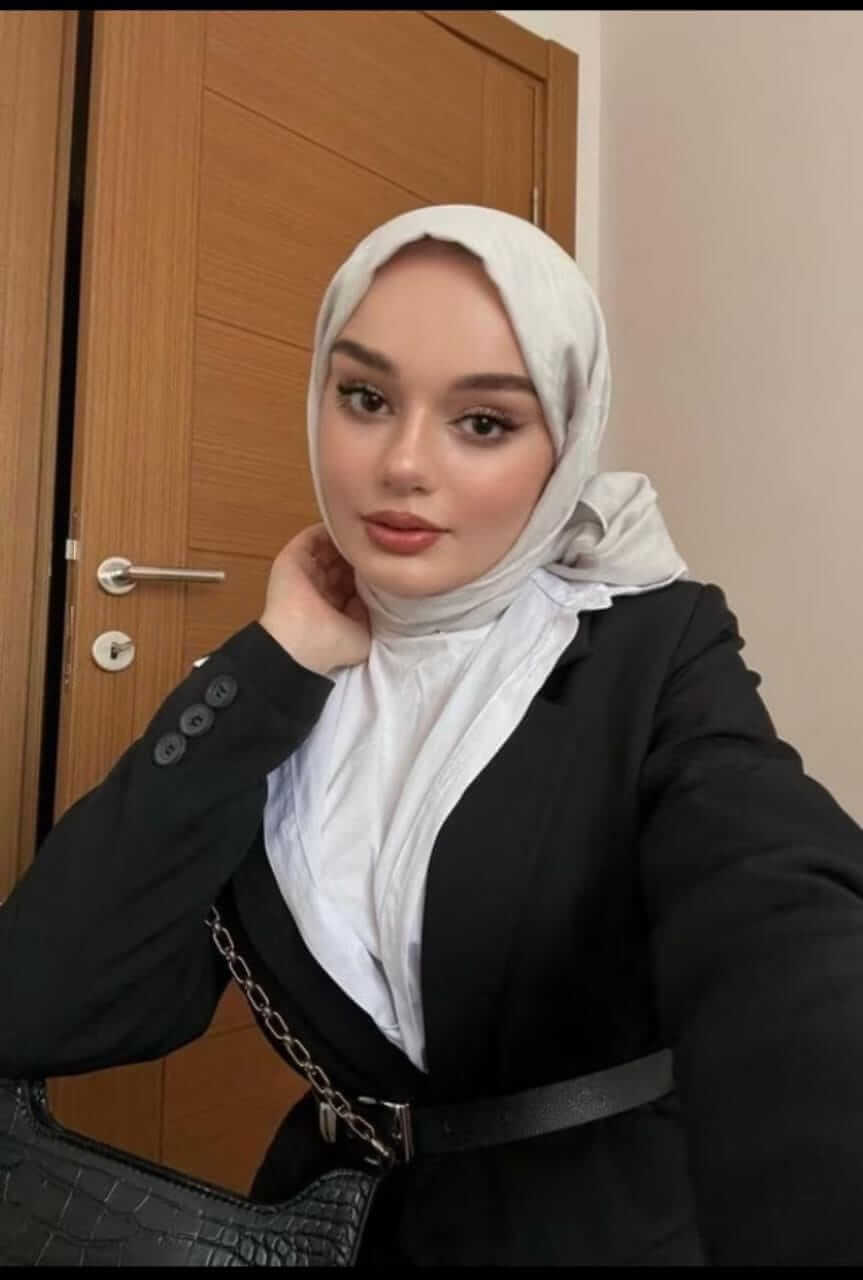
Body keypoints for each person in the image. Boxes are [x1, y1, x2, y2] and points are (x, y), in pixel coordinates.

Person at [2, 203, 863, 1267]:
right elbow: (41, 1001)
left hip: (610, 1226)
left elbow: (771, 898)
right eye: (365, 398)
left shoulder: (650, 645)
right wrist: (275, 660)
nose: (402, 464)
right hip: (332, 1228)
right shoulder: (265, 689)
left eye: (483, 421)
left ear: (563, 445)